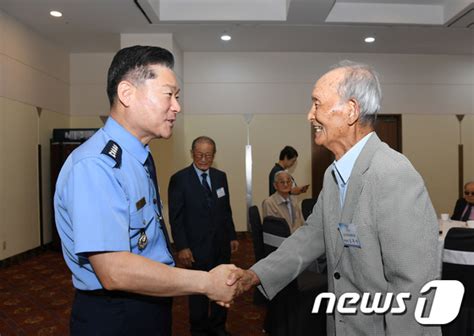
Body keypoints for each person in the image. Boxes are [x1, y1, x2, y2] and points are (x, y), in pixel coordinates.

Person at [231, 61, 440, 335]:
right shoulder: (333, 175)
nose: (309, 115)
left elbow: (413, 287)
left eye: (316, 104)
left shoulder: (393, 174)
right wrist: (254, 275)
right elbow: (312, 236)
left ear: (351, 110)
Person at [54, 45, 240, 336]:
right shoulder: (96, 166)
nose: (177, 106)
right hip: (116, 314)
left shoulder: (138, 156)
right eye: (169, 94)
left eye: (177, 97)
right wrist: (204, 283)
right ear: (127, 93)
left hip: (148, 301)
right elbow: (114, 270)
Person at [168, 136, 238, 336]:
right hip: (195, 248)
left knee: (224, 287)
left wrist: (232, 236)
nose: (204, 159)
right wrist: (182, 246)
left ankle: (218, 326)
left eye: (208, 155)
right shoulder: (179, 179)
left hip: (220, 246)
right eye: (199, 154)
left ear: (214, 155)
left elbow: (226, 210)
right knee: (198, 292)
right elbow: (176, 217)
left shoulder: (220, 177)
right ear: (192, 153)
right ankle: (198, 330)